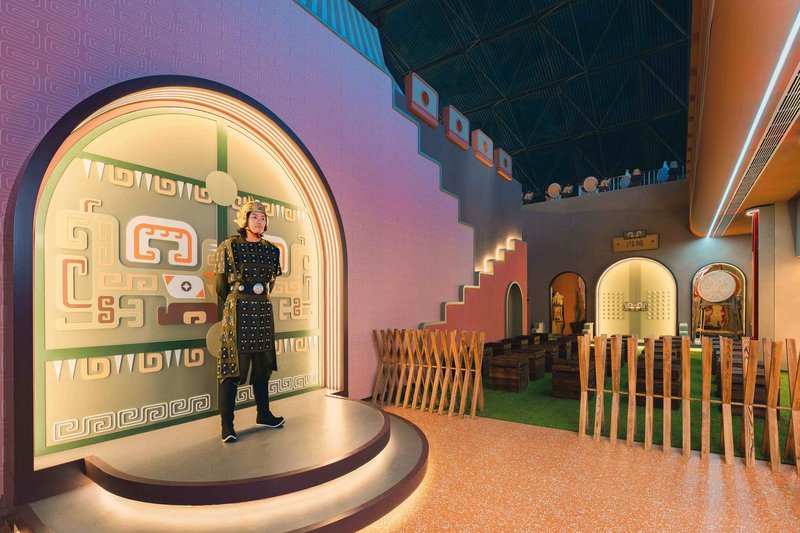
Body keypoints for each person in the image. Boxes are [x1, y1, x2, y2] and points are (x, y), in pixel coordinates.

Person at [214, 197, 285, 443]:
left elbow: (269, 285)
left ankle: (264, 414)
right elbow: (221, 287)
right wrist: (240, 300)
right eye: (254, 217)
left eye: (263, 218)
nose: (259, 221)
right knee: (233, 369)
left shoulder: (272, 250)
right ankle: (227, 425)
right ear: (244, 221)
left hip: (262, 311)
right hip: (238, 311)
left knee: (262, 368)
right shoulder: (229, 246)